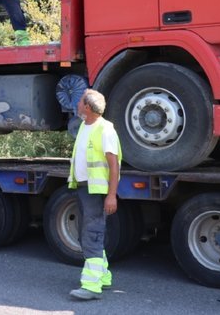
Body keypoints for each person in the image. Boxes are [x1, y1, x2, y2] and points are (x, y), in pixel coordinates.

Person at [68, 88, 122, 301]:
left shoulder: (105, 129)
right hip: (84, 188)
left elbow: (114, 165)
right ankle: (103, 276)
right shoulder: (85, 125)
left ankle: (91, 286)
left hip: (96, 191)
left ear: (87, 107)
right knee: (88, 233)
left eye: (80, 101)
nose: (78, 104)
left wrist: (111, 195)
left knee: (92, 235)